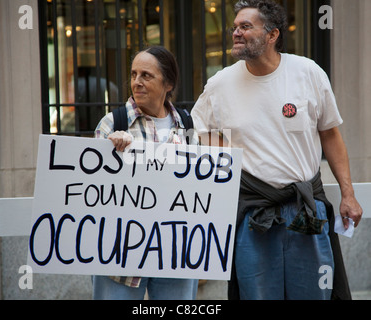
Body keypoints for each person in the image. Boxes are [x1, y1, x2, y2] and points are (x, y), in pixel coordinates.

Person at [191, 0, 363, 300]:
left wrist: (348, 194)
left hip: (306, 210)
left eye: (246, 26)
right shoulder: (219, 85)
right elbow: (202, 134)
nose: (236, 33)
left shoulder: (307, 72)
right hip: (253, 214)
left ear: (272, 35)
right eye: (235, 27)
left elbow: (331, 135)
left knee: (313, 295)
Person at [93, 45, 199, 300]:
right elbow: (93, 192)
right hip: (120, 257)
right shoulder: (112, 123)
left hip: (175, 254)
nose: (136, 82)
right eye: (133, 74)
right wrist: (109, 150)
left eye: (146, 76)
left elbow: (196, 187)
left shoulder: (186, 124)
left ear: (169, 83)